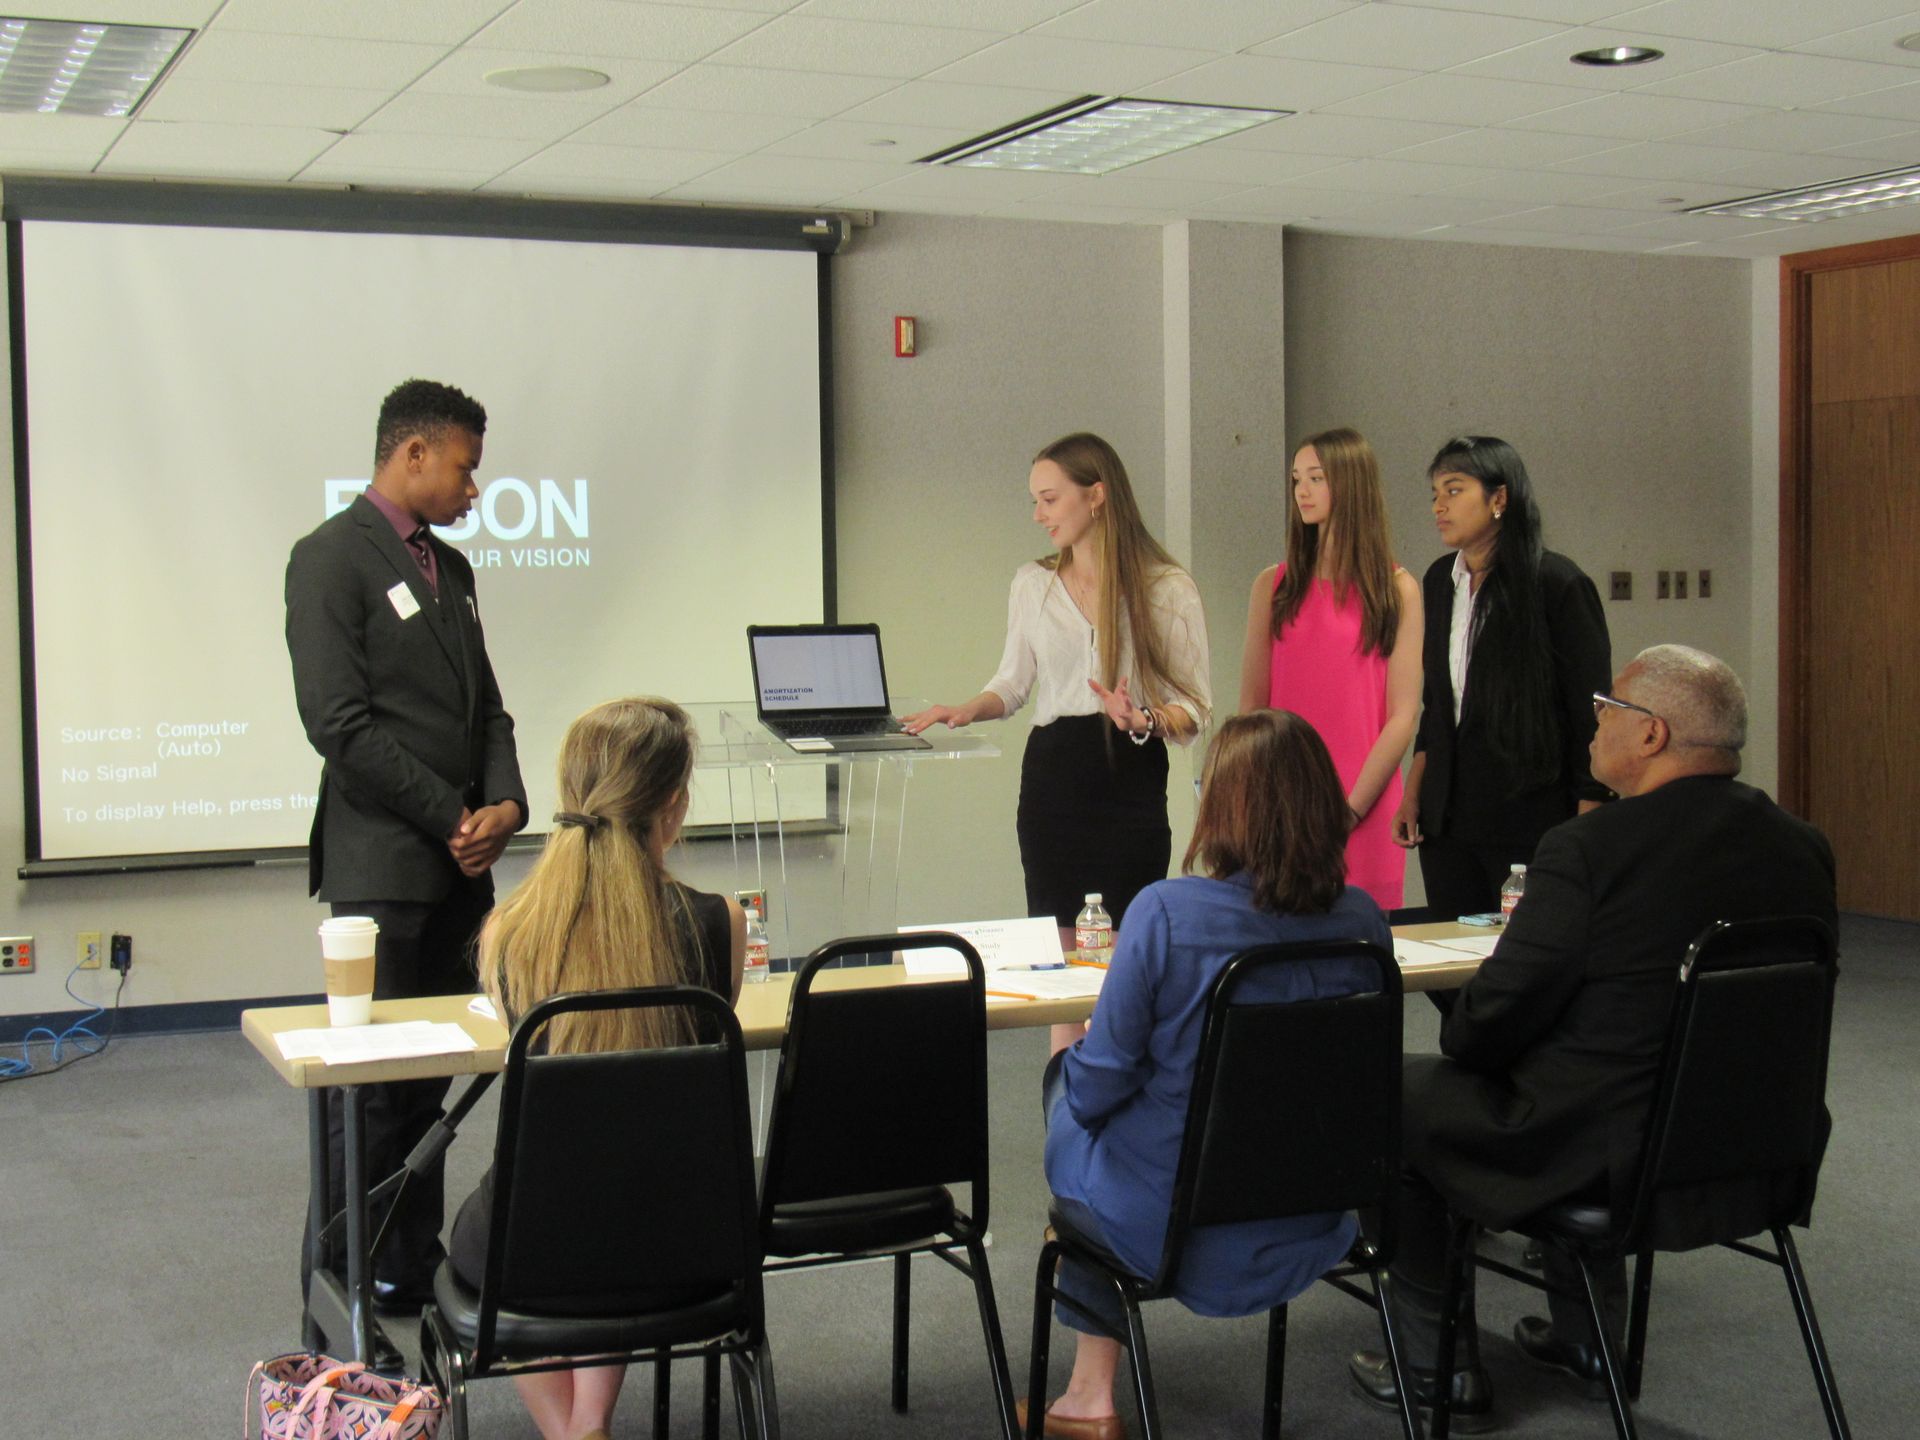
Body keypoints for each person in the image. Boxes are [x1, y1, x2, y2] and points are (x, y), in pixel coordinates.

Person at [1350, 646, 1838, 1431]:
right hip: (1756, 1148)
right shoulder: (1802, 846)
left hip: (1606, 1161)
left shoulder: (1587, 851)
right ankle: (1585, 1343)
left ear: (1650, 735)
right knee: (1610, 1075)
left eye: (1606, 708)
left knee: (1391, 1095)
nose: (1593, 724)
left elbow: (1482, 1031)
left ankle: (1437, 1370)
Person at [1023, 709, 1390, 1438]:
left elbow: (1099, 1090)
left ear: (1221, 804)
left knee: (1069, 1092)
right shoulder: (1365, 923)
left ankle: (1088, 1397)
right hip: (1316, 1213)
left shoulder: (1164, 913)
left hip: (1173, 1227)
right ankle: (1086, 1389)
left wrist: (1077, 1058)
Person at [285, 378, 528, 1340]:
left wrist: (505, 806)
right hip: (383, 869)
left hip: (460, 871)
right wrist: (451, 813)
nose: (475, 486)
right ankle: (338, 1283)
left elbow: (491, 712)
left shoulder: (455, 571)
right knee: (373, 1092)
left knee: (437, 1084)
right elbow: (338, 726)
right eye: (466, 467)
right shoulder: (329, 559)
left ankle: (405, 1268)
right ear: (414, 453)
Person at [450, 697, 746, 1440]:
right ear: (673, 808)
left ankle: (574, 1432)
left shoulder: (508, 934)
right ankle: (587, 1427)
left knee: (559, 1198)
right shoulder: (722, 923)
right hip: (686, 1239)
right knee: (624, 1182)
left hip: (534, 1250)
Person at [903, 432, 1211, 946]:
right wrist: (966, 709)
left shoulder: (1167, 587)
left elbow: (1196, 707)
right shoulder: (1032, 583)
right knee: (1059, 958)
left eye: (1049, 500)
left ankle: (1118, 1031)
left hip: (1130, 778)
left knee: (1129, 952)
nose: (1038, 515)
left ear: (1096, 495)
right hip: (1055, 783)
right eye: (1035, 502)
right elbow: (1012, 684)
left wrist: (1144, 720)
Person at [1393, 436, 1612, 920]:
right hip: (1447, 818)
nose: (1439, 506)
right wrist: (1414, 792)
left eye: (1453, 490)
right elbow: (1438, 702)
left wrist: (1586, 826)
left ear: (1499, 498)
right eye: (1434, 494)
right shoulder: (1437, 581)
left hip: (1529, 814)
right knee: (1452, 958)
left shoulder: (1556, 584)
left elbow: (1591, 714)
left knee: (1526, 959)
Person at [1238, 426, 1422, 908]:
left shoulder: (1397, 589)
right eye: (1296, 478)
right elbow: (1252, 708)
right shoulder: (1272, 586)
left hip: (1364, 799)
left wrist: (1349, 810)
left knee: (1362, 953)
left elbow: (1402, 715)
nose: (1301, 489)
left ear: (1350, 483)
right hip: (1284, 804)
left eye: (1316, 478)